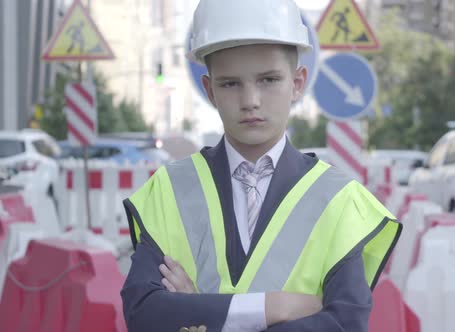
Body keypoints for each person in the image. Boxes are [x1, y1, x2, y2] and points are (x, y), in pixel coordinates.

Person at [120, 0, 402, 331]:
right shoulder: (169, 189)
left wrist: (199, 308)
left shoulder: (340, 201)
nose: (250, 99)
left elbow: (343, 324)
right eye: (230, 83)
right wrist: (272, 307)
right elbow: (143, 313)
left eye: (268, 80)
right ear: (210, 90)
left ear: (297, 83)